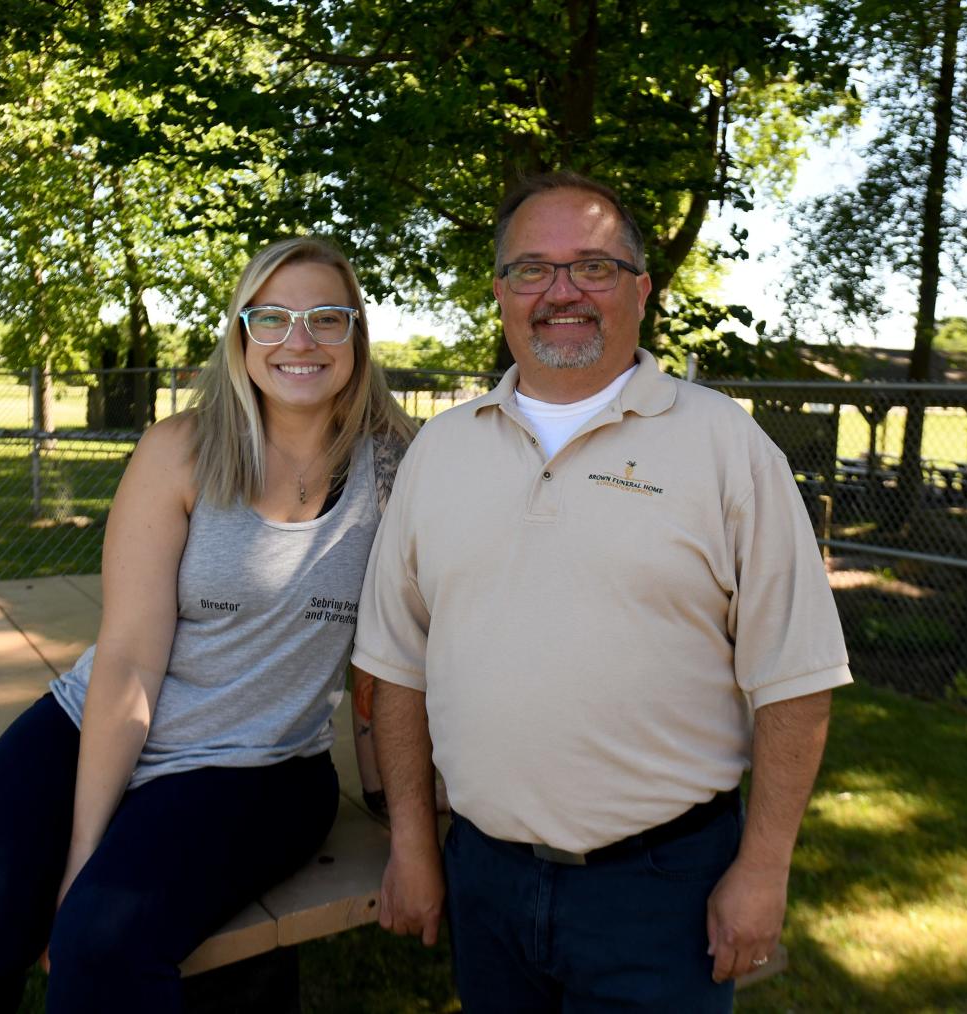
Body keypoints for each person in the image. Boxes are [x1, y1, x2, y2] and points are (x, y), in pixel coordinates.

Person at [352, 171, 853, 1012]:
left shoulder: (728, 448)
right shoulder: (440, 453)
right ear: (502, 293)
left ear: (641, 289)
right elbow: (395, 668)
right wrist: (412, 841)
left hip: (662, 892)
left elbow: (796, 681)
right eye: (532, 270)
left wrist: (763, 870)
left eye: (593, 266)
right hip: (485, 876)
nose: (562, 293)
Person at [0, 236, 417, 1013]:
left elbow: (394, 652)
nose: (298, 341)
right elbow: (131, 658)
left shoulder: (398, 469)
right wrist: (82, 851)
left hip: (257, 765)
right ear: (240, 335)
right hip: (94, 722)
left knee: (104, 945)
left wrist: (400, 819)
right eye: (271, 318)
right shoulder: (184, 450)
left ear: (356, 335)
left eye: (325, 318)